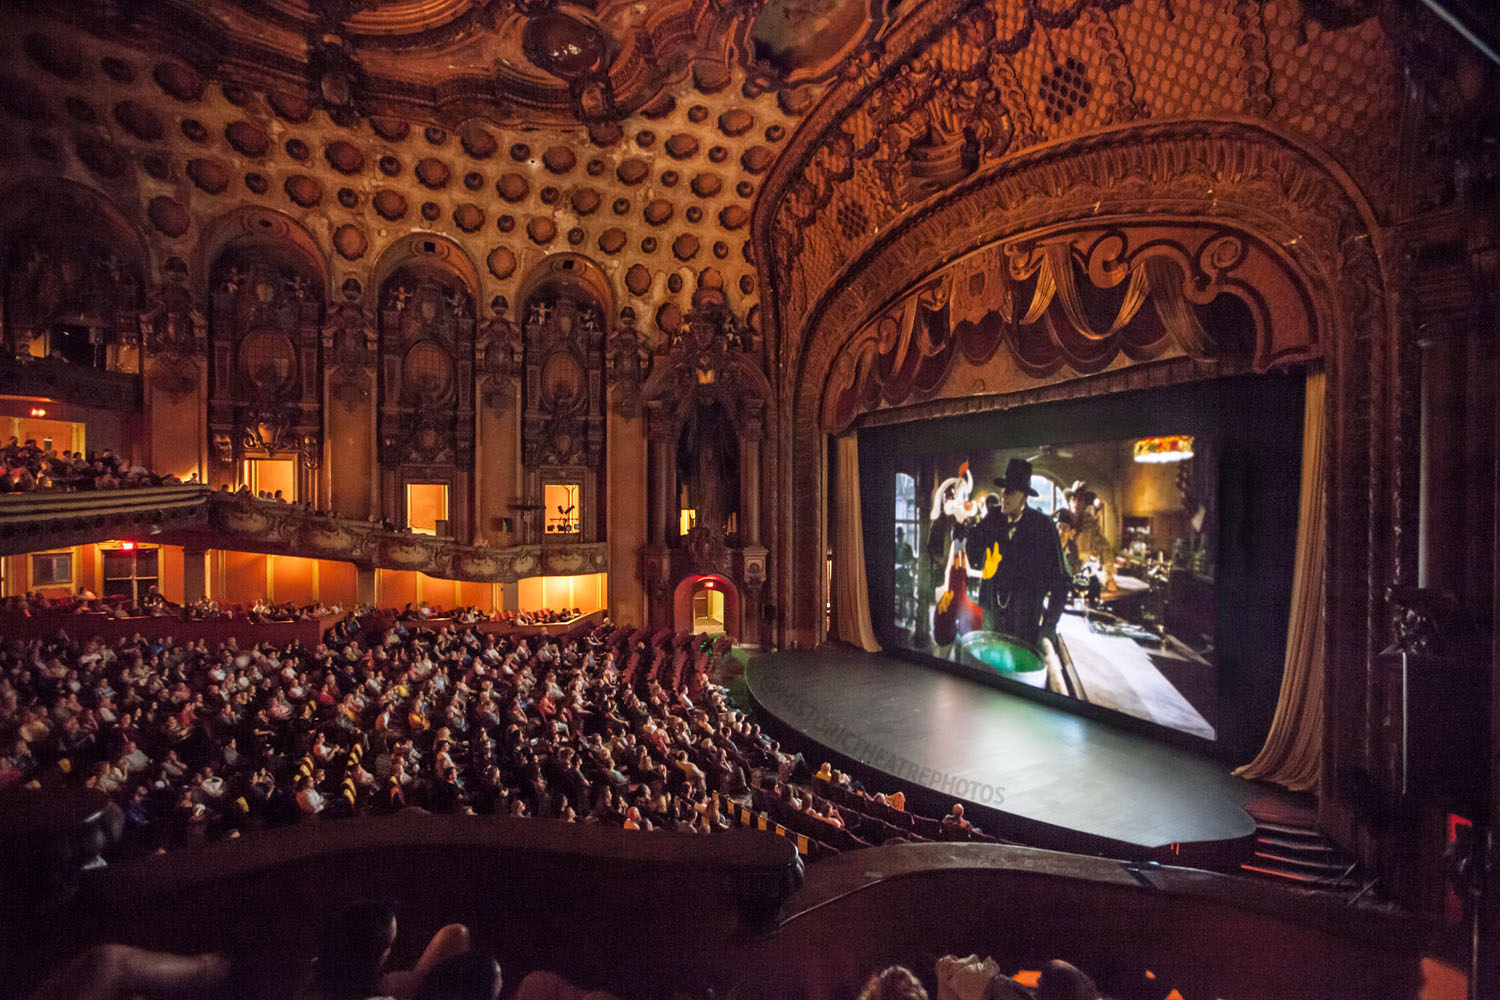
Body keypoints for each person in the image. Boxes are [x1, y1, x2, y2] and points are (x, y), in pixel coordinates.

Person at [985, 458, 1070, 648]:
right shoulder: (993, 519)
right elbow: (975, 555)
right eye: (1003, 490)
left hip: (1024, 629)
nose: (1003, 496)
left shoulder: (1043, 526)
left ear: (1023, 496)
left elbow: (1061, 583)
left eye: (1010, 491)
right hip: (992, 627)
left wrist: (1048, 628)